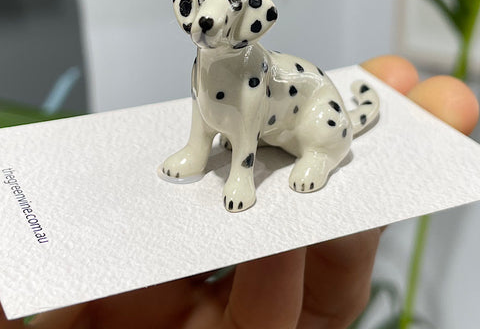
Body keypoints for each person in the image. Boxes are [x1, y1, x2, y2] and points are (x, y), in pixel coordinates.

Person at [1, 55, 478, 329]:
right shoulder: (205, 65)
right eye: (193, 10)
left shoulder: (254, 74)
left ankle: (320, 153)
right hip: (278, 127)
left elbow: (246, 126)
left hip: (313, 118)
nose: (203, 22)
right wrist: (197, 152)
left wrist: (242, 175)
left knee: (284, 129)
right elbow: (205, 111)